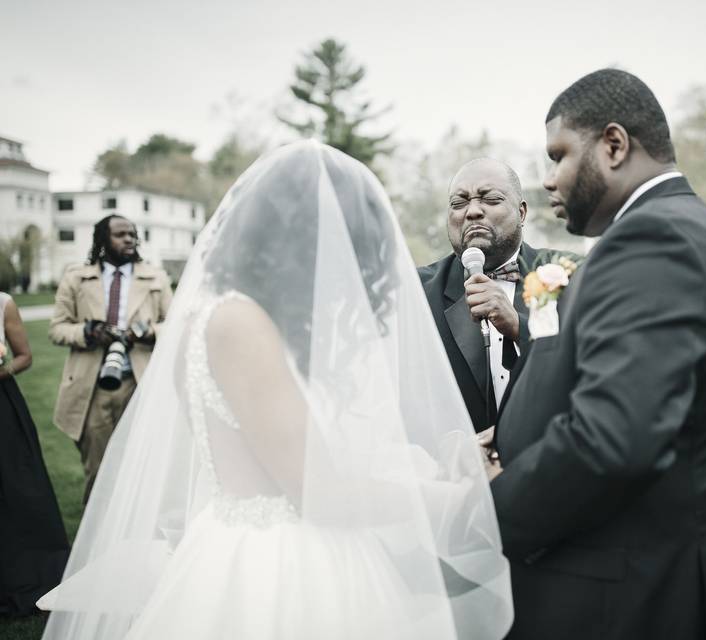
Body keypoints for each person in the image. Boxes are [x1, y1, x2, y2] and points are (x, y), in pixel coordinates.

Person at [38, 141, 512, 640]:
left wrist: (448, 460)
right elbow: (318, 491)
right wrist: (452, 497)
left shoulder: (241, 318)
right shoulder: (239, 324)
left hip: (261, 543)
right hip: (283, 566)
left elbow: (311, 449)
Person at [486, 68, 706, 639]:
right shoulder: (669, 228)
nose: (548, 180)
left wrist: (483, 512)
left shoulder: (657, 239)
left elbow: (613, 437)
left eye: (558, 156)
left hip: (628, 596)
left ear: (613, 145)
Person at [419, 158, 564, 432]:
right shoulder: (417, 293)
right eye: (459, 203)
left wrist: (520, 328)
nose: (472, 211)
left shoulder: (565, 278)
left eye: (491, 199)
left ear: (521, 213)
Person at [49, 215, 173, 504]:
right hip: (93, 387)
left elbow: (177, 323)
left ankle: (138, 535)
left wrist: (146, 332)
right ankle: (96, 542)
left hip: (140, 384)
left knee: (143, 467)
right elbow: (57, 328)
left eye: (132, 234)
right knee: (99, 469)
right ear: (102, 240)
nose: (129, 239)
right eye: (120, 234)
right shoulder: (76, 277)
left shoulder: (156, 277)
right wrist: (88, 332)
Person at [0, 292, 70, 617]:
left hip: (2, 405)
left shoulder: (4, 303)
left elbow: (23, 356)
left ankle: (24, 573)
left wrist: (2, 369)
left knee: (17, 488)